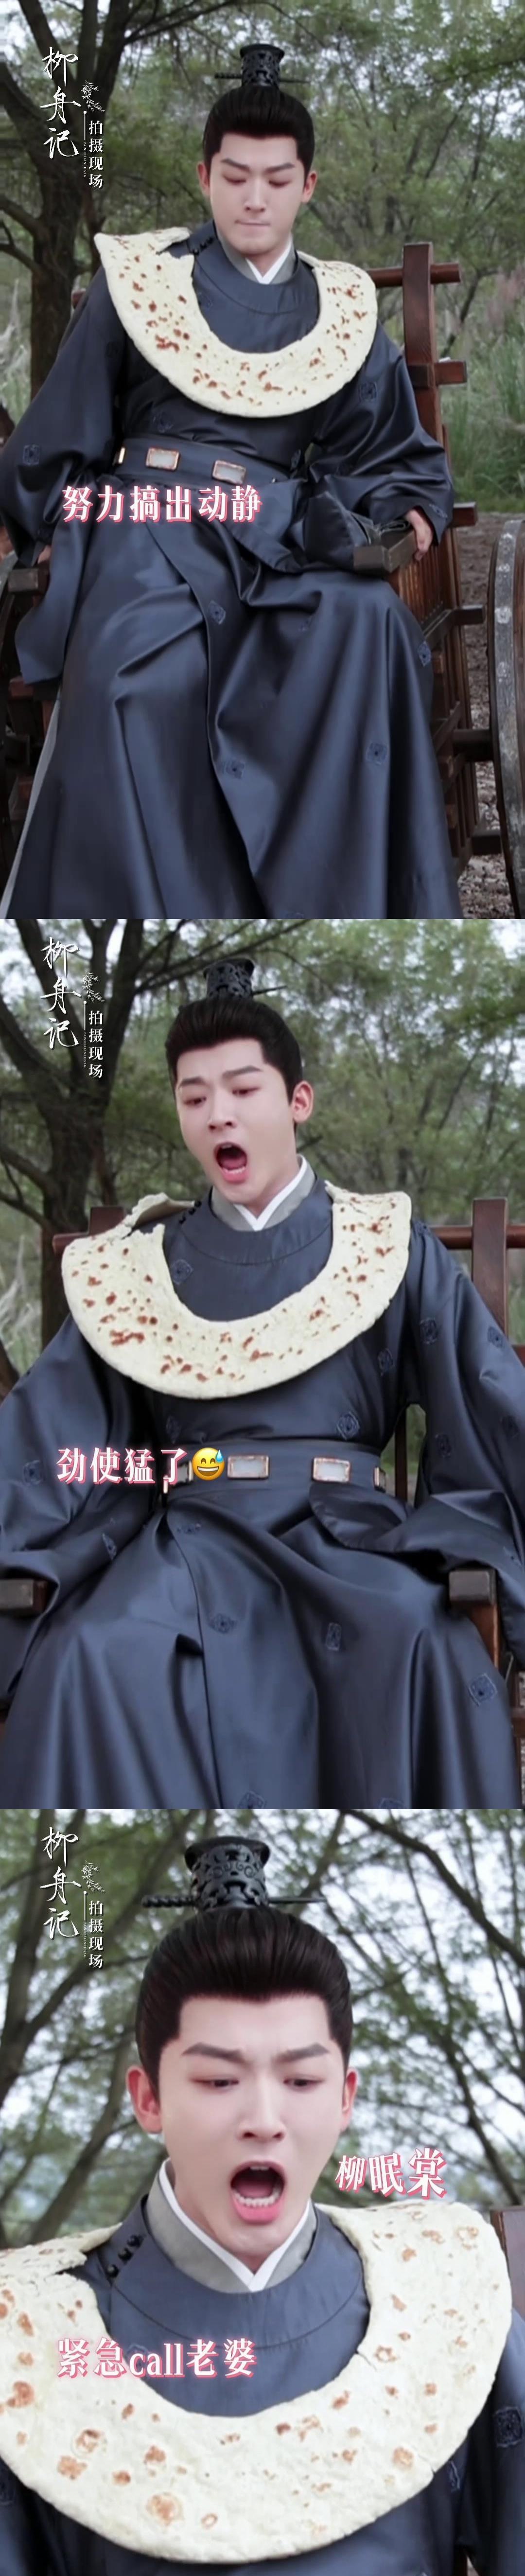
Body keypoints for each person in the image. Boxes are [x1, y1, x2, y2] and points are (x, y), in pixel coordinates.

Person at [0, 1833, 524, 2576]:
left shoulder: (445, 2291)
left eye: (302, 2080)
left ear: (347, 2097)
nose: (265, 2118)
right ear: (148, 2098)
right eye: (218, 2081)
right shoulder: (35, 2330)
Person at [0, 953, 524, 1815]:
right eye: (194, 1096)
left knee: (420, 1637)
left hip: (349, 1536)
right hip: (188, 1537)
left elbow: (486, 1394)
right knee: (89, 1652)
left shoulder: (383, 1243)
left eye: (243, 1089)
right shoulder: (140, 1270)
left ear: (298, 1100)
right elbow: (49, 1436)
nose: (219, 1113)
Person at [0, 41, 461, 922]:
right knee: (136, 678)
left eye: (277, 179)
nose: (256, 198)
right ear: (205, 176)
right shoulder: (142, 284)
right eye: (237, 176)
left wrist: (407, 514)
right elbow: (62, 427)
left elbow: (386, 450)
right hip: (148, 523)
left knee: (366, 625)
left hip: (275, 533)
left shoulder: (339, 312)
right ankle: (158, 912)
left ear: (307, 186)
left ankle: (334, 909)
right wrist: (52, 522)